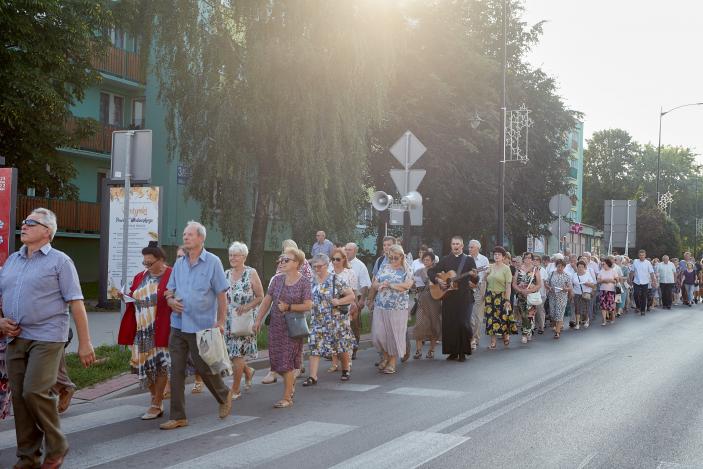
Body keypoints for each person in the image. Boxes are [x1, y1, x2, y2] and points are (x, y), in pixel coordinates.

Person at [0, 208, 96, 468]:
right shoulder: (12, 261)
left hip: (47, 337)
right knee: (20, 399)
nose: (24, 225)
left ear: (47, 232)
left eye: (31, 223)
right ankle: (28, 458)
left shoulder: (60, 261)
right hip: (14, 339)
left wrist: (85, 343)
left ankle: (57, 443)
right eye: (24, 222)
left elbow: (76, 302)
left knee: (34, 391)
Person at [161, 221, 233, 430]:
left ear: (201, 238)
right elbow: (169, 289)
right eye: (184, 234)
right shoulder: (180, 264)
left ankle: (224, 395)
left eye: (190, 234)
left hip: (201, 326)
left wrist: (220, 322)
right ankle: (178, 416)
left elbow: (221, 294)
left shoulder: (213, 262)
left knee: (204, 366)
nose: (185, 237)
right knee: (176, 370)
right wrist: (170, 300)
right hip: (178, 325)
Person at [117, 241, 173, 420]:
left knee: (161, 366)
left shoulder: (172, 275)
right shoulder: (140, 276)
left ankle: (156, 404)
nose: (147, 266)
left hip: (161, 327)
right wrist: (125, 296)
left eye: (150, 263)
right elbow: (134, 296)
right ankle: (154, 398)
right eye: (145, 263)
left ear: (161, 260)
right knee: (146, 367)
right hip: (141, 329)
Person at [254, 247, 312, 408]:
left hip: (292, 328)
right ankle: (290, 383)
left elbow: (308, 305)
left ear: (297, 263)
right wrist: (258, 319)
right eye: (281, 259)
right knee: (277, 362)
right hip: (276, 326)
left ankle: (287, 397)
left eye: (286, 260)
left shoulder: (304, 282)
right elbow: (267, 300)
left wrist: (289, 307)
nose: (282, 262)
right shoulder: (277, 280)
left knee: (286, 362)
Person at [303, 254, 356, 386]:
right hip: (318, 320)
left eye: (319, 266)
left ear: (327, 266)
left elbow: (351, 296)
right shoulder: (311, 281)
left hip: (336, 320)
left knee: (341, 346)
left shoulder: (335, 279)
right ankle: (313, 376)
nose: (317, 269)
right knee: (314, 346)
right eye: (314, 266)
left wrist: (338, 300)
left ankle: (345, 368)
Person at [223, 242, 264, 400]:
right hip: (228, 320)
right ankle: (248, 371)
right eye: (230, 255)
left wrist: (247, 307)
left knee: (237, 355)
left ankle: (235, 389)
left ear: (244, 257)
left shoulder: (251, 273)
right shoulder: (226, 273)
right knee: (232, 355)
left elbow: (260, 296)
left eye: (236, 255)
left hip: (243, 319)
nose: (232, 258)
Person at [428, 236, 477, 361]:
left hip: (464, 296)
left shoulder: (469, 260)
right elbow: (431, 272)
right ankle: (452, 352)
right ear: (451, 245)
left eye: (458, 244)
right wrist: (438, 280)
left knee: (462, 323)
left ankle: (462, 352)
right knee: (450, 323)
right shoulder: (445, 259)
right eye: (453, 244)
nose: (455, 246)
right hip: (448, 296)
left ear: (462, 246)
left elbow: (475, 280)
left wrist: (475, 276)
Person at [369, 244, 414, 373]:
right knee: (379, 335)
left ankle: (392, 362)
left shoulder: (407, 269)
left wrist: (391, 285)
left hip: (397, 308)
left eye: (396, 258)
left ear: (401, 257)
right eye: (391, 258)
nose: (393, 260)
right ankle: (385, 356)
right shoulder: (384, 267)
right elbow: (374, 283)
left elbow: (407, 286)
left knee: (393, 336)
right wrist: (380, 285)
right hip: (381, 305)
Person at [327, 247, 358, 372]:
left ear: (344, 259)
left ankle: (347, 361)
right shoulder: (328, 272)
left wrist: (354, 306)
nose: (335, 262)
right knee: (332, 335)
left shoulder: (350, 273)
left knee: (344, 335)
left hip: (345, 307)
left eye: (338, 259)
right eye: (333, 259)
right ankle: (334, 362)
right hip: (330, 307)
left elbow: (354, 292)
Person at [412, 251, 442, 359]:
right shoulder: (418, 271)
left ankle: (431, 350)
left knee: (434, 325)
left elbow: (442, 286)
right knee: (419, 324)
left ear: (433, 261)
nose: (425, 262)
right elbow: (414, 286)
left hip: (434, 301)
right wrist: (414, 286)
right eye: (424, 260)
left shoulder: (437, 272)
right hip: (421, 300)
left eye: (428, 260)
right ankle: (418, 350)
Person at [344, 243, 371, 360]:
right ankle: (341, 350)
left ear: (355, 251)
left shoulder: (360, 266)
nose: (347, 251)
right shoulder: (339, 263)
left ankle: (354, 349)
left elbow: (365, 284)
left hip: (356, 298)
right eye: (346, 249)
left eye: (349, 250)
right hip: (341, 298)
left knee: (353, 325)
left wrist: (363, 299)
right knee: (342, 325)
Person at [484, 246, 515, 349]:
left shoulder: (506, 269)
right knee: (491, 319)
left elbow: (508, 285)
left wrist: (507, 299)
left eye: (499, 255)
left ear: (503, 257)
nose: (496, 256)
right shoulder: (490, 266)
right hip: (490, 295)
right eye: (495, 254)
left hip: (501, 295)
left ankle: (505, 336)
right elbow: (485, 280)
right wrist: (485, 274)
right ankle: (493, 342)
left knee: (503, 317)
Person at [512, 252, 542, 344]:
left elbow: (539, 284)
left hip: (531, 296)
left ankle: (525, 334)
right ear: (523, 259)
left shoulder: (535, 270)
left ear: (532, 260)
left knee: (529, 315)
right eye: (526, 258)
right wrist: (521, 291)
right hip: (521, 296)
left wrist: (529, 291)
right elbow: (514, 284)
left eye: (529, 258)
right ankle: (528, 330)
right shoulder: (519, 269)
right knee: (523, 315)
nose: (527, 260)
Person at [468, 240, 489, 350]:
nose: (469, 249)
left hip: (479, 287)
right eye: (469, 247)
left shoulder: (484, 259)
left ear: (478, 248)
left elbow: (485, 275)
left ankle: (475, 337)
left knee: (477, 315)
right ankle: (470, 337)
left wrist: (480, 287)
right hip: (467, 288)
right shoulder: (466, 258)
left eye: (472, 247)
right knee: (469, 314)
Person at [545, 259, 572, 339]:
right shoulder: (552, 273)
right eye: (558, 266)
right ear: (556, 266)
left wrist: (566, 289)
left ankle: (557, 332)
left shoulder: (566, 275)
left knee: (559, 313)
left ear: (564, 267)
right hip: (552, 296)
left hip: (562, 296)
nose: (560, 268)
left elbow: (570, 287)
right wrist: (550, 288)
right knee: (553, 313)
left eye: (562, 266)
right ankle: (556, 324)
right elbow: (546, 283)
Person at [571, 260, 596, 329]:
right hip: (577, 293)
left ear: (584, 267)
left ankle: (586, 321)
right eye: (579, 267)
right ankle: (577, 323)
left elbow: (593, 285)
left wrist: (587, 284)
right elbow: (572, 284)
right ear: (577, 267)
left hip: (586, 294)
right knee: (577, 308)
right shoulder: (574, 275)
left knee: (586, 308)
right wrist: (572, 292)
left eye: (582, 267)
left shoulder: (587, 274)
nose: (580, 268)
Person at [630, 249, 656, 316]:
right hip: (636, 281)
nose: (641, 256)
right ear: (638, 255)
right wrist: (630, 280)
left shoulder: (648, 263)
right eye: (640, 255)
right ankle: (638, 306)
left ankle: (642, 310)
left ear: (645, 255)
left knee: (644, 296)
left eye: (643, 255)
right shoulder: (635, 261)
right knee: (635, 294)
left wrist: (653, 281)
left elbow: (651, 273)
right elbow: (632, 272)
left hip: (645, 282)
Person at [597, 258, 618, 326]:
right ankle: (604, 320)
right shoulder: (601, 271)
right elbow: (598, 281)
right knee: (603, 306)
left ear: (608, 264)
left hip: (611, 291)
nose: (603, 265)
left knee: (611, 306)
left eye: (604, 264)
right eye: (602, 264)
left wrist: (611, 280)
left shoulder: (613, 271)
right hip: (603, 290)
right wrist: (604, 281)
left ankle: (612, 318)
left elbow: (617, 281)